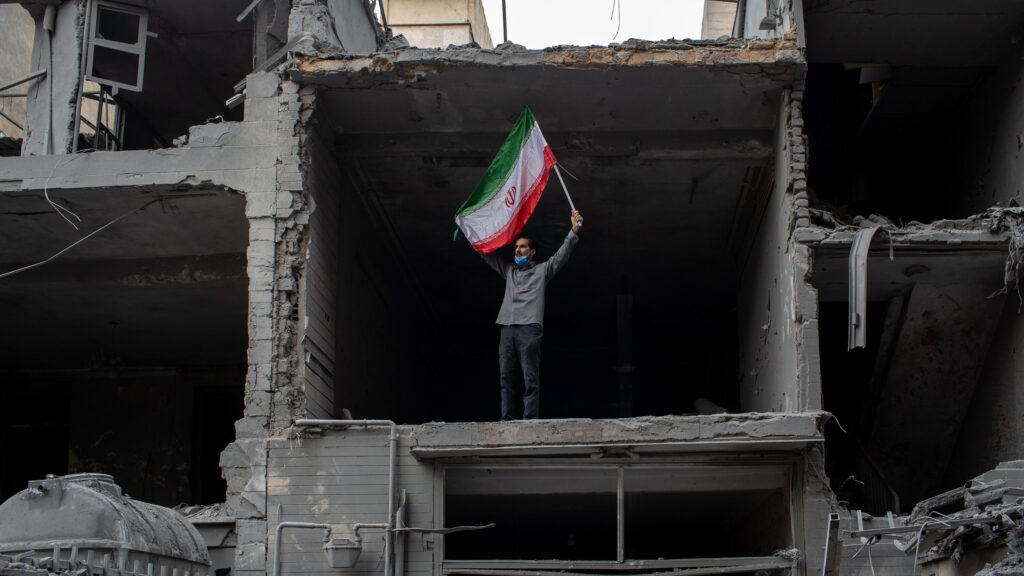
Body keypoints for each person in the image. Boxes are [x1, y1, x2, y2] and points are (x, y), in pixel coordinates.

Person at [480, 210, 583, 420]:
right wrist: (472, 234)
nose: (517, 250)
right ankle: (507, 419)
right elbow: (486, 255)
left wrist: (573, 231)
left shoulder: (542, 270)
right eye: (516, 247)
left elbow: (561, 255)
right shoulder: (509, 271)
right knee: (506, 376)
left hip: (529, 328)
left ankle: (529, 421)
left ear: (532, 251)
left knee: (530, 378)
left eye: (522, 247)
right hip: (507, 328)